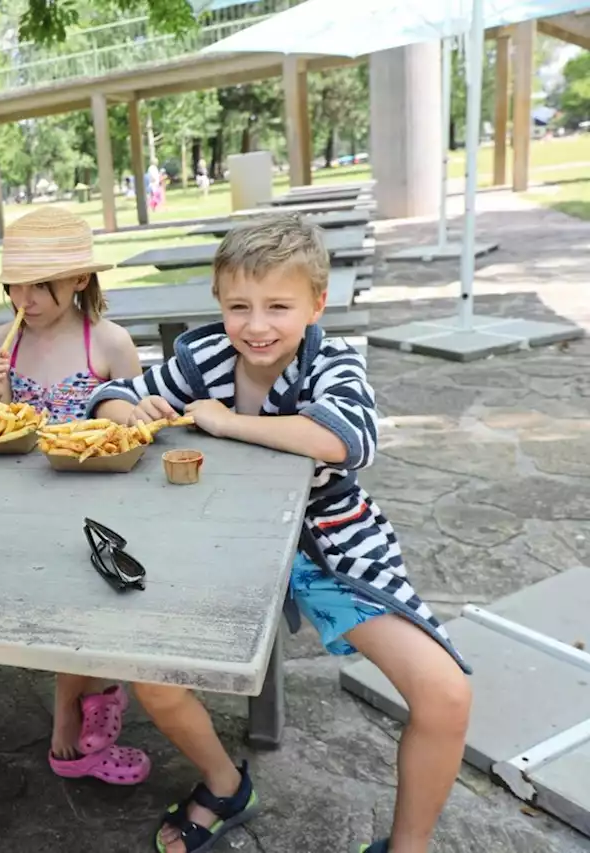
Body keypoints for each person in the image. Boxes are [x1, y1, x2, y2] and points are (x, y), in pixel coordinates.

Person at [85, 214, 472, 853]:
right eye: (239, 305)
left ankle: (409, 847)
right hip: (218, 539)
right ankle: (222, 782)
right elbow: (106, 397)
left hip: (330, 541)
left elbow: (344, 440)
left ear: (318, 304)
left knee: (446, 694)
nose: (256, 326)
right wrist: (131, 408)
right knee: (149, 668)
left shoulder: (335, 359)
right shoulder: (205, 355)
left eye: (278, 306)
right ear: (218, 303)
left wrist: (225, 423)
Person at [0, 206, 150, 786]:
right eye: (15, 283)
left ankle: (66, 723)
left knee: (87, 601)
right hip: (25, 498)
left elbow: (137, 427)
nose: (24, 296)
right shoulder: (6, 341)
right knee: (60, 607)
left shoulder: (109, 342)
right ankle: (90, 699)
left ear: (79, 279)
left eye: (40, 282)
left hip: (98, 504)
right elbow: (4, 433)